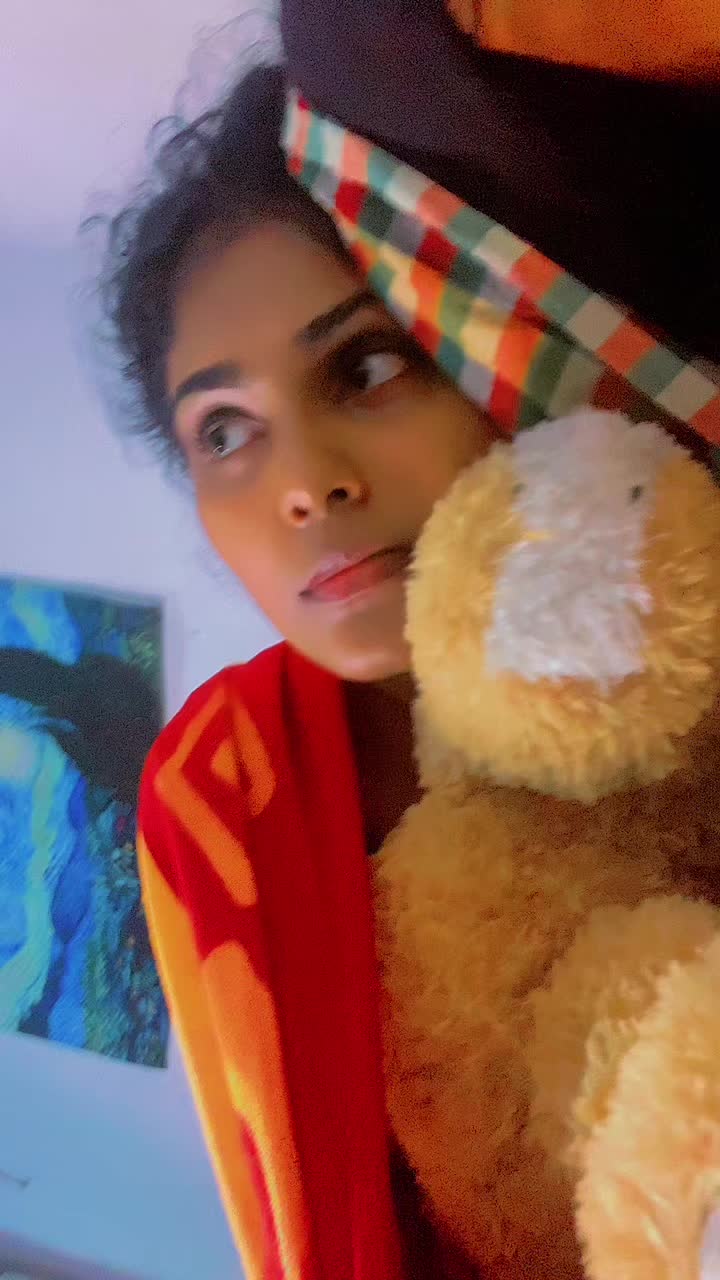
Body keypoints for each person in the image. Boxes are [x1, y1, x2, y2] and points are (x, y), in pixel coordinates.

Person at [101, 28, 718, 1279]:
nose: (305, 485)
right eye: (224, 431)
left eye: (369, 366)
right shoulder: (222, 791)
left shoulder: (684, 639)